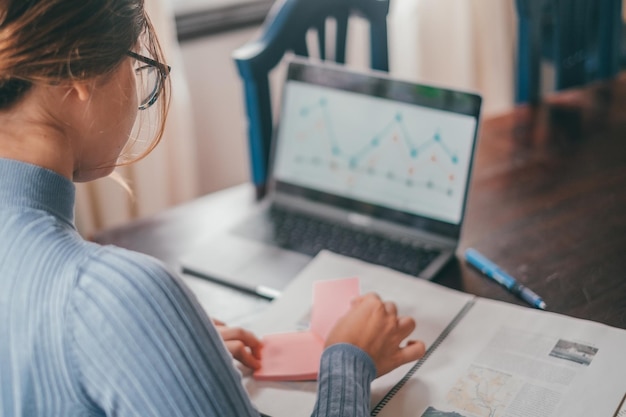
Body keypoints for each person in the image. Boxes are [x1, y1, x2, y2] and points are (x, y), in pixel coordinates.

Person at [0, 1, 427, 416]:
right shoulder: (112, 296)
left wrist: (163, 356)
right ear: (78, 73)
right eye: (133, 60)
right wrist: (348, 360)